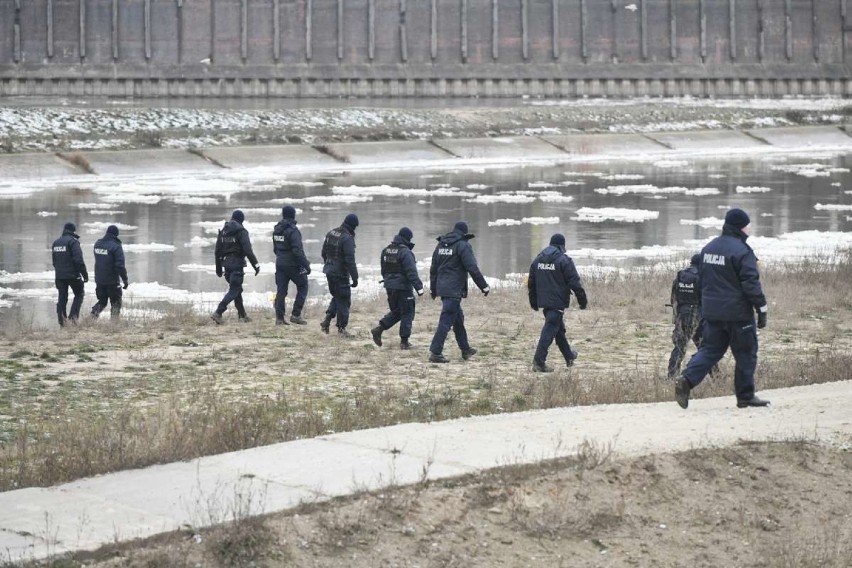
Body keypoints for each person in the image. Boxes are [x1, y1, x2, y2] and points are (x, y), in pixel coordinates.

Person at [675, 208, 770, 409]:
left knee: (710, 349)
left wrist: (704, 306)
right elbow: (751, 284)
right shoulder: (743, 252)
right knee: (746, 352)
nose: (749, 229)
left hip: (712, 312)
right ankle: (745, 395)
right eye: (747, 225)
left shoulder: (709, 248)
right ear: (740, 227)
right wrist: (761, 309)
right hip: (738, 315)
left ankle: (686, 379)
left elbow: (701, 281)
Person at [428, 221, 490, 363]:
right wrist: (483, 286)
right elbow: (472, 268)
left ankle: (465, 349)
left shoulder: (441, 245)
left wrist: (433, 288)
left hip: (443, 289)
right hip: (453, 290)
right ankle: (435, 352)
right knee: (446, 321)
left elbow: (433, 270)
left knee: (458, 320)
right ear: (464, 233)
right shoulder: (463, 245)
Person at [527, 233, 587, 372]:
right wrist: (582, 301)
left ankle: (569, 356)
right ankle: (539, 362)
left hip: (545, 303)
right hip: (557, 303)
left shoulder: (538, 260)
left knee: (558, 330)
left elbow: (531, 283)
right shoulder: (564, 260)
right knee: (549, 331)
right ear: (562, 246)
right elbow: (575, 283)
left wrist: (533, 301)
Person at [371, 227, 425, 350]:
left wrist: (389, 281)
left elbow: (383, 270)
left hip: (389, 286)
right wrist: (419, 288)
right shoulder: (405, 252)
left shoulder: (386, 250)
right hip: (403, 287)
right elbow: (411, 272)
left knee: (399, 311)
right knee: (407, 312)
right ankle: (404, 342)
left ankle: (379, 329)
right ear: (407, 238)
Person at [211, 210, 260, 324]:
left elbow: (217, 251)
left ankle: (242, 315)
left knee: (236, 289)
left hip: (226, 265)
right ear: (242, 220)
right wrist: (256, 265)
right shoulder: (241, 231)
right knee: (235, 289)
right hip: (237, 265)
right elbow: (248, 250)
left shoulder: (223, 231)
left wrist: (218, 268)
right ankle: (218, 312)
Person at [320, 213, 359, 337]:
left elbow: (323, 253)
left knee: (337, 296)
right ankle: (342, 329)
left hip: (329, 270)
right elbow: (350, 260)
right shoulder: (347, 238)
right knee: (344, 299)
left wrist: (329, 265)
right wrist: (355, 277)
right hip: (340, 273)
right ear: (353, 226)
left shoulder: (331, 233)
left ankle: (327, 319)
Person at [667, 254, 705, 379]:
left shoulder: (680, 276)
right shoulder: (702, 277)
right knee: (705, 348)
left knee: (679, 347)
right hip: (697, 317)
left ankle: (672, 375)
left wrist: (676, 316)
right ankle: (716, 376)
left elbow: (673, 298)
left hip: (681, 316)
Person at [273, 205, 311, 325]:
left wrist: (281, 257)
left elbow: (275, 249)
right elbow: (297, 251)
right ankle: (296, 314)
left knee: (281, 291)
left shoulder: (277, 229)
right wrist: (306, 266)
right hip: (292, 264)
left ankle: (279, 318)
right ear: (293, 215)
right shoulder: (293, 230)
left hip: (280, 263)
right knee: (303, 285)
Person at [51, 221, 88, 327]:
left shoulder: (56, 242)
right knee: (79, 294)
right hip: (73, 275)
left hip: (59, 276)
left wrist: (60, 271)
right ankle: (73, 318)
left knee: (62, 297)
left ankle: (62, 322)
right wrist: (84, 275)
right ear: (73, 230)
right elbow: (78, 260)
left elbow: (54, 261)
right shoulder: (73, 242)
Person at [90, 225, 128, 320]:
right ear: (116, 234)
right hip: (112, 281)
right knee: (116, 303)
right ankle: (114, 324)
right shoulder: (116, 246)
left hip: (99, 280)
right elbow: (120, 266)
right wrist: (125, 280)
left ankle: (91, 319)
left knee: (102, 301)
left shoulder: (97, 244)